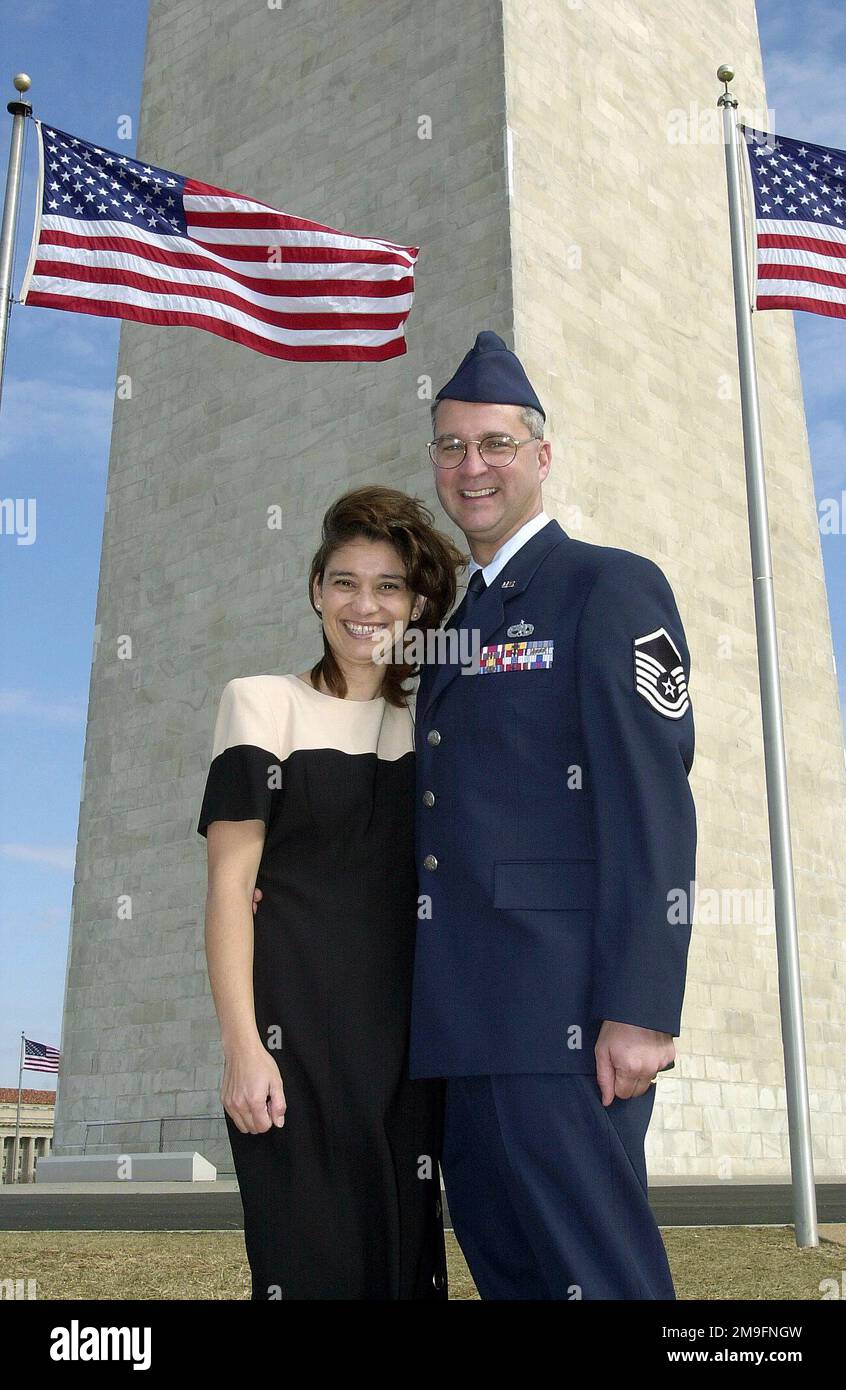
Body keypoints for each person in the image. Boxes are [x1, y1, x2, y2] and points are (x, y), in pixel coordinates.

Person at [409, 330, 697, 1300]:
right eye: (451, 446)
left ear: (541, 454)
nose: (472, 466)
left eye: (494, 443)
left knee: (600, 1281)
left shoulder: (605, 587)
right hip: (466, 1028)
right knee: (518, 1281)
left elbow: (651, 800)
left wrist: (644, 1007)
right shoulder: (455, 627)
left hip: (565, 1021)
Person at [197, 485, 464, 1300]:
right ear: (316, 590)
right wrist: (245, 1049)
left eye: (388, 587)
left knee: (401, 1272)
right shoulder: (260, 702)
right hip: (293, 1049)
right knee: (307, 1270)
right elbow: (228, 891)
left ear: (415, 605)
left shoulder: (427, 729)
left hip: (407, 1054)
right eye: (344, 581)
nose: (364, 604)